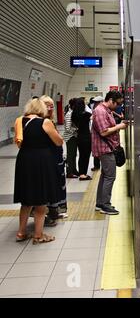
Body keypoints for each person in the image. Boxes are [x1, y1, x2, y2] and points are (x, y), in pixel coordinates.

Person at [14, 98, 63, 244]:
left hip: (23, 159)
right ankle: (38, 235)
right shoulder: (45, 122)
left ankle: (21, 233)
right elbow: (58, 141)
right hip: (40, 161)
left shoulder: (19, 120)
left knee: (26, 200)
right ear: (41, 109)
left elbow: (19, 141)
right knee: (40, 200)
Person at [92, 91, 128, 215]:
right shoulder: (100, 111)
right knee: (110, 177)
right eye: (117, 103)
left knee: (104, 176)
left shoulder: (105, 110)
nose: (118, 106)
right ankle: (105, 205)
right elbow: (103, 132)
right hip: (105, 149)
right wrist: (119, 126)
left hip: (107, 147)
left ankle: (100, 203)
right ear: (111, 100)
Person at [41, 95, 68, 224]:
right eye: (47, 105)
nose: (50, 108)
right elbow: (58, 141)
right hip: (49, 159)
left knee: (57, 184)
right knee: (51, 186)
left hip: (56, 157)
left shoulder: (50, 120)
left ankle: (55, 212)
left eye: (52, 105)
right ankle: (49, 214)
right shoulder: (44, 122)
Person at [72, 98, 92, 181]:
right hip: (86, 137)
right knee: (86, 156)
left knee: (81, 156)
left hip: (79, 137)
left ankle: (81, 173)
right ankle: (83, 174)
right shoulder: (86, 114)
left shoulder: (74, 115)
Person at [64, 98, 79, 178]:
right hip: (70, 137)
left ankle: (74, 170)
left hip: (73, 136)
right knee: (70, 155)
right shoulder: (69, 114)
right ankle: (69, 172)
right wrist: (77, 129)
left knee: (74, 154)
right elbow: (67, 128)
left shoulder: (72, 113)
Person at [91, 96, 104, 171]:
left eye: (96, 102)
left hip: (100, 133)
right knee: (96, 151)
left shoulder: (100, 110)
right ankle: (96, 165)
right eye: (95, 102)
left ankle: (101, 165)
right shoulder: (95, 109)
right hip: (96, 133)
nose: (95, 103)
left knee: (101, 151)